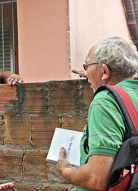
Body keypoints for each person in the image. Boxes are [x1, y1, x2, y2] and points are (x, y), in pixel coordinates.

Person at [56, 36, 138, 191]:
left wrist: (66, 170)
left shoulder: (105, 100)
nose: (86, 73)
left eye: (87, 66)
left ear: (105, 71)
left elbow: (97, 178)